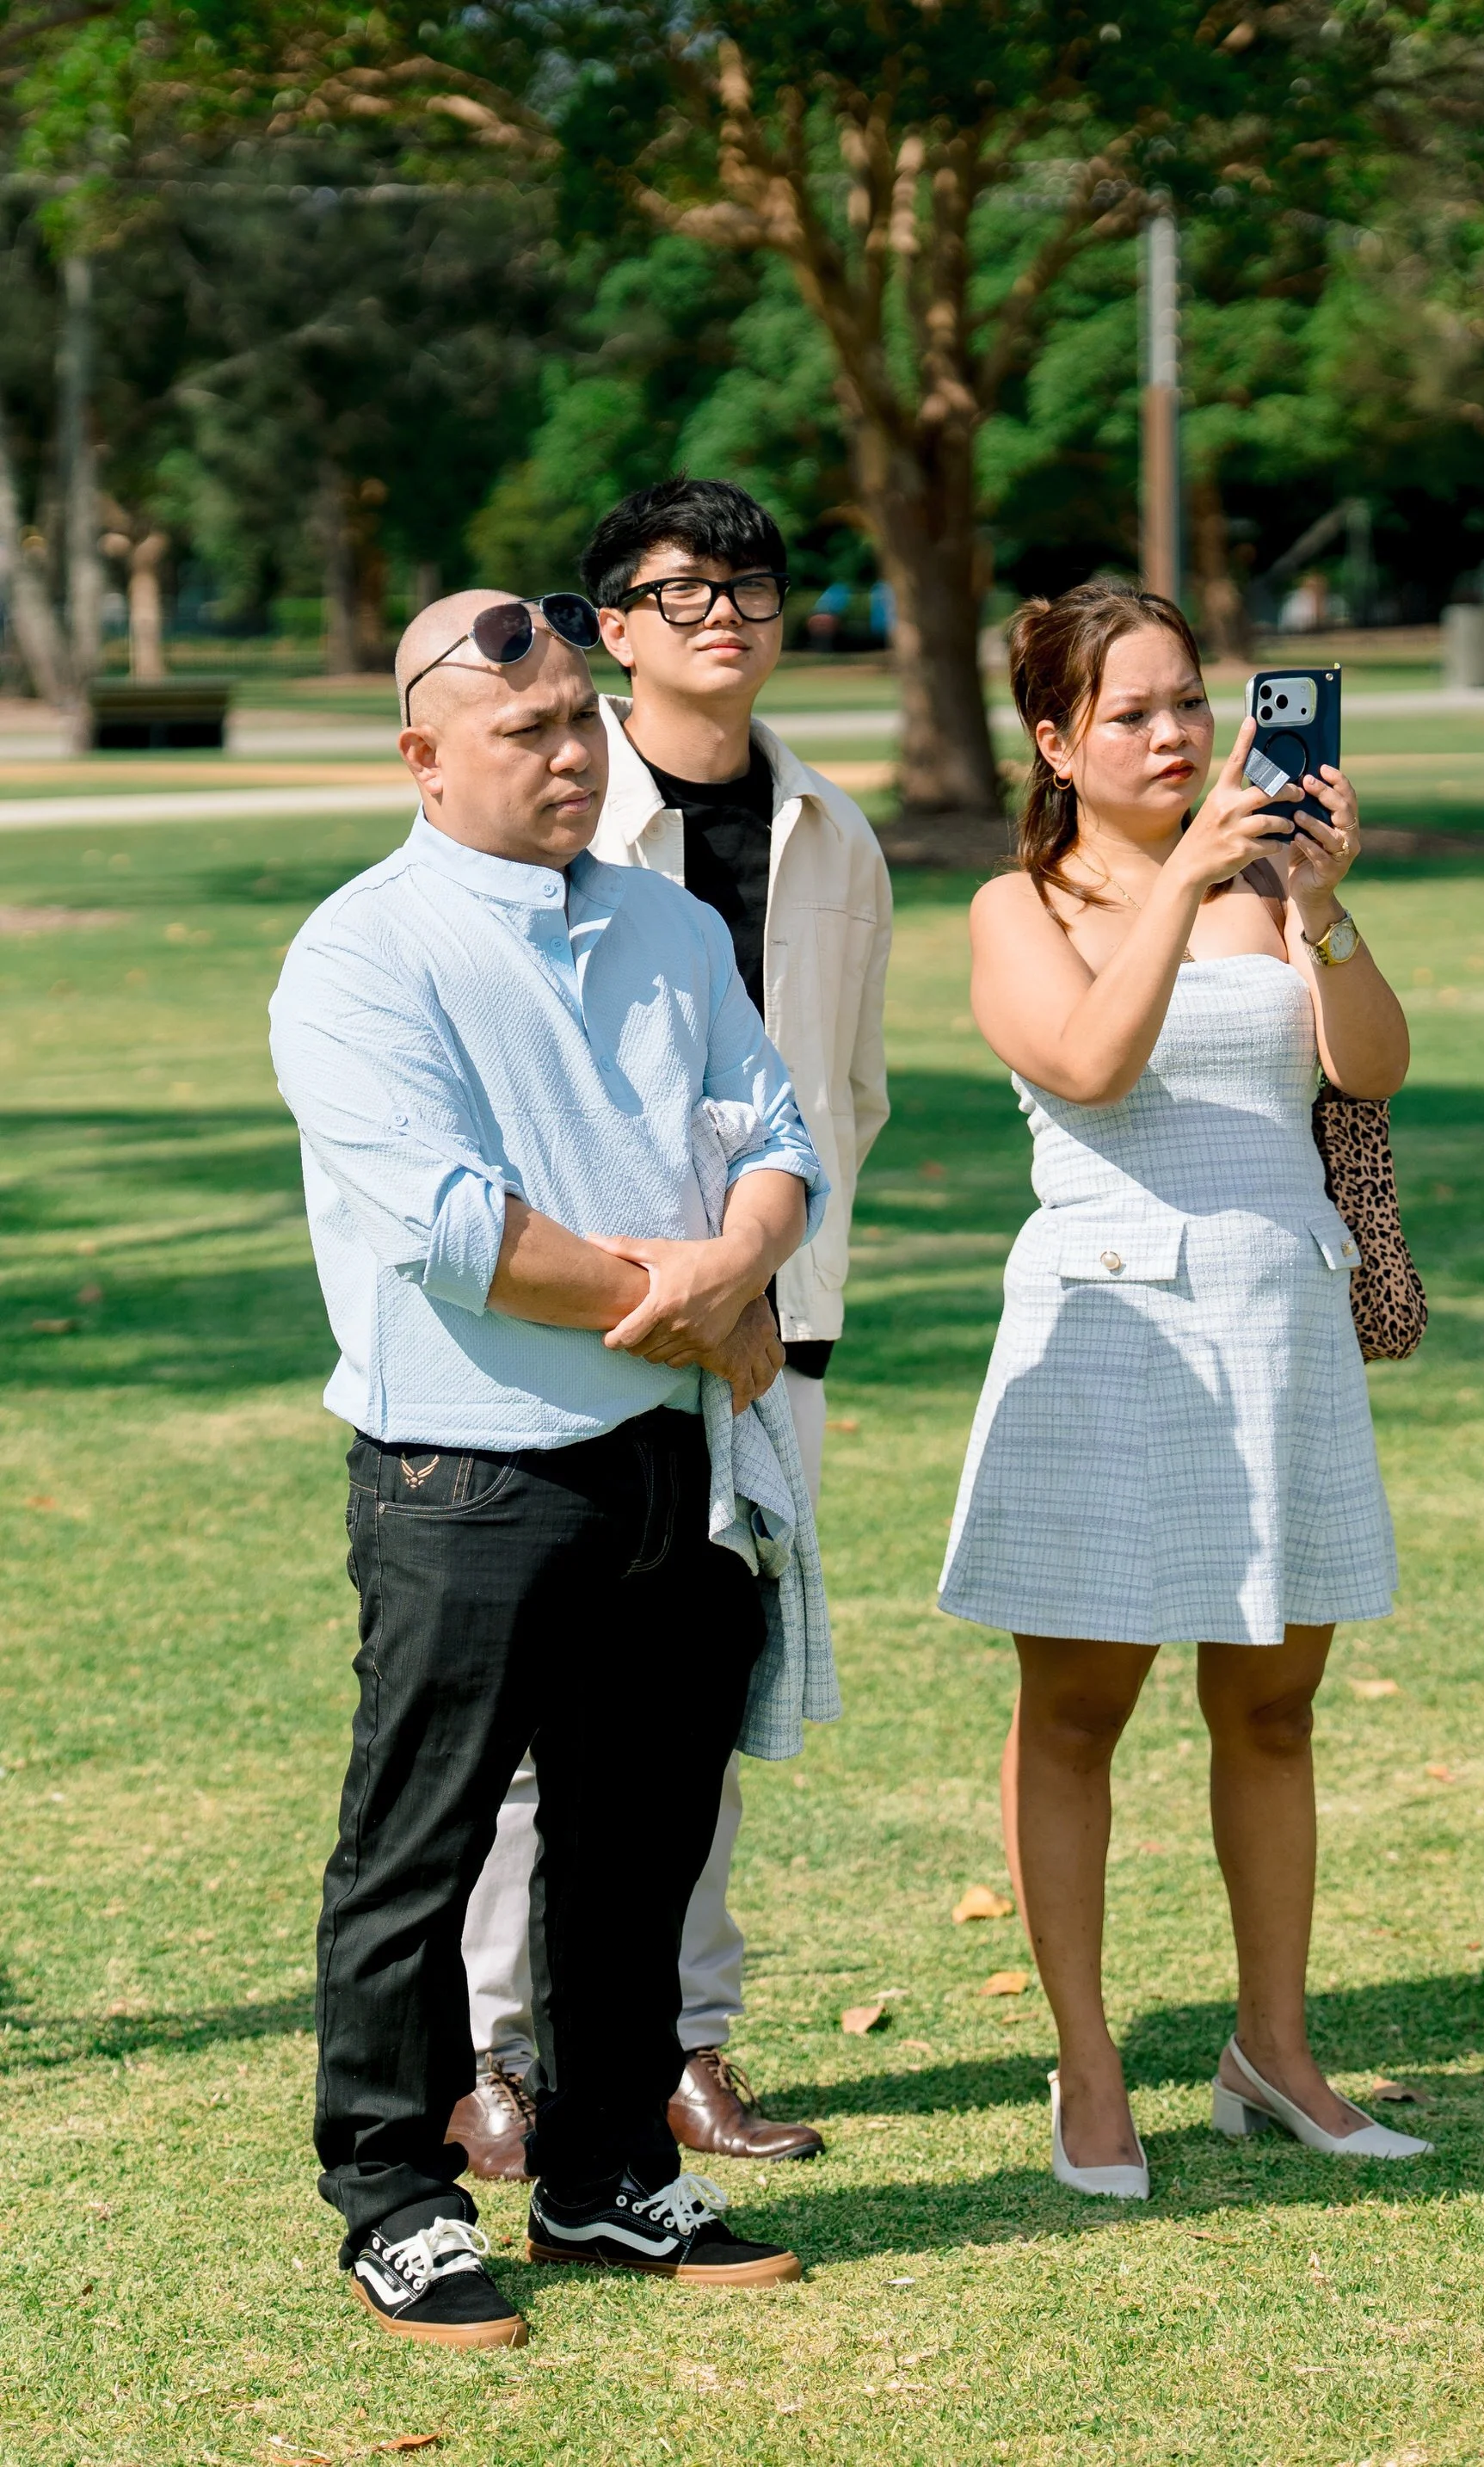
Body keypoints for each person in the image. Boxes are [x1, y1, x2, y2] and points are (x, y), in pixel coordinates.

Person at [269, 588, 829, 2348]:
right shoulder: (362, 951)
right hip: (467, 1476)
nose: (575, 749)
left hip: (669, 1470)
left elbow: (778, 1132)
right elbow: (448, 1225)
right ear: (424, 757)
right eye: (529, 730)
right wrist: (688, 1299)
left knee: (638, 1839)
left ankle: (602, 2163)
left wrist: (735, 1265)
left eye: (583, 718)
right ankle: (393, 2188)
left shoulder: (668, 925)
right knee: (417, 1850)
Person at [938, 580, 1431, 2197]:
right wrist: (1187, 882)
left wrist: (1326, 904)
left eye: (1192, 705)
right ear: (1059, 741)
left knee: (1273, 1708)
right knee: (1078, 1712)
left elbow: (1370, 1065)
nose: (1175, 736)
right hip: (1109, 1334)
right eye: (1134, 713)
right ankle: (1088, 2067)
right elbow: (1086, 1062)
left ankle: (1272, 2049)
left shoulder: (1277, 885)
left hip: (1279, 1321)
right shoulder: (1022, 906)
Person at [449, 478, 890, 2179]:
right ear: (610, 628)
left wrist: (768, 1279)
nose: (726, 611)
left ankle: (680, 2048)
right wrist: (647, 1282)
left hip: (782, 1335)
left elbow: (841, 1087)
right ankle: (493, 2052)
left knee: (699, 1703)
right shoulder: (549, 812)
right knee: (534, 1715)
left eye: (752, 583)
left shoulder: (831, 833)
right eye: (681, 588)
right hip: (585, 1323)